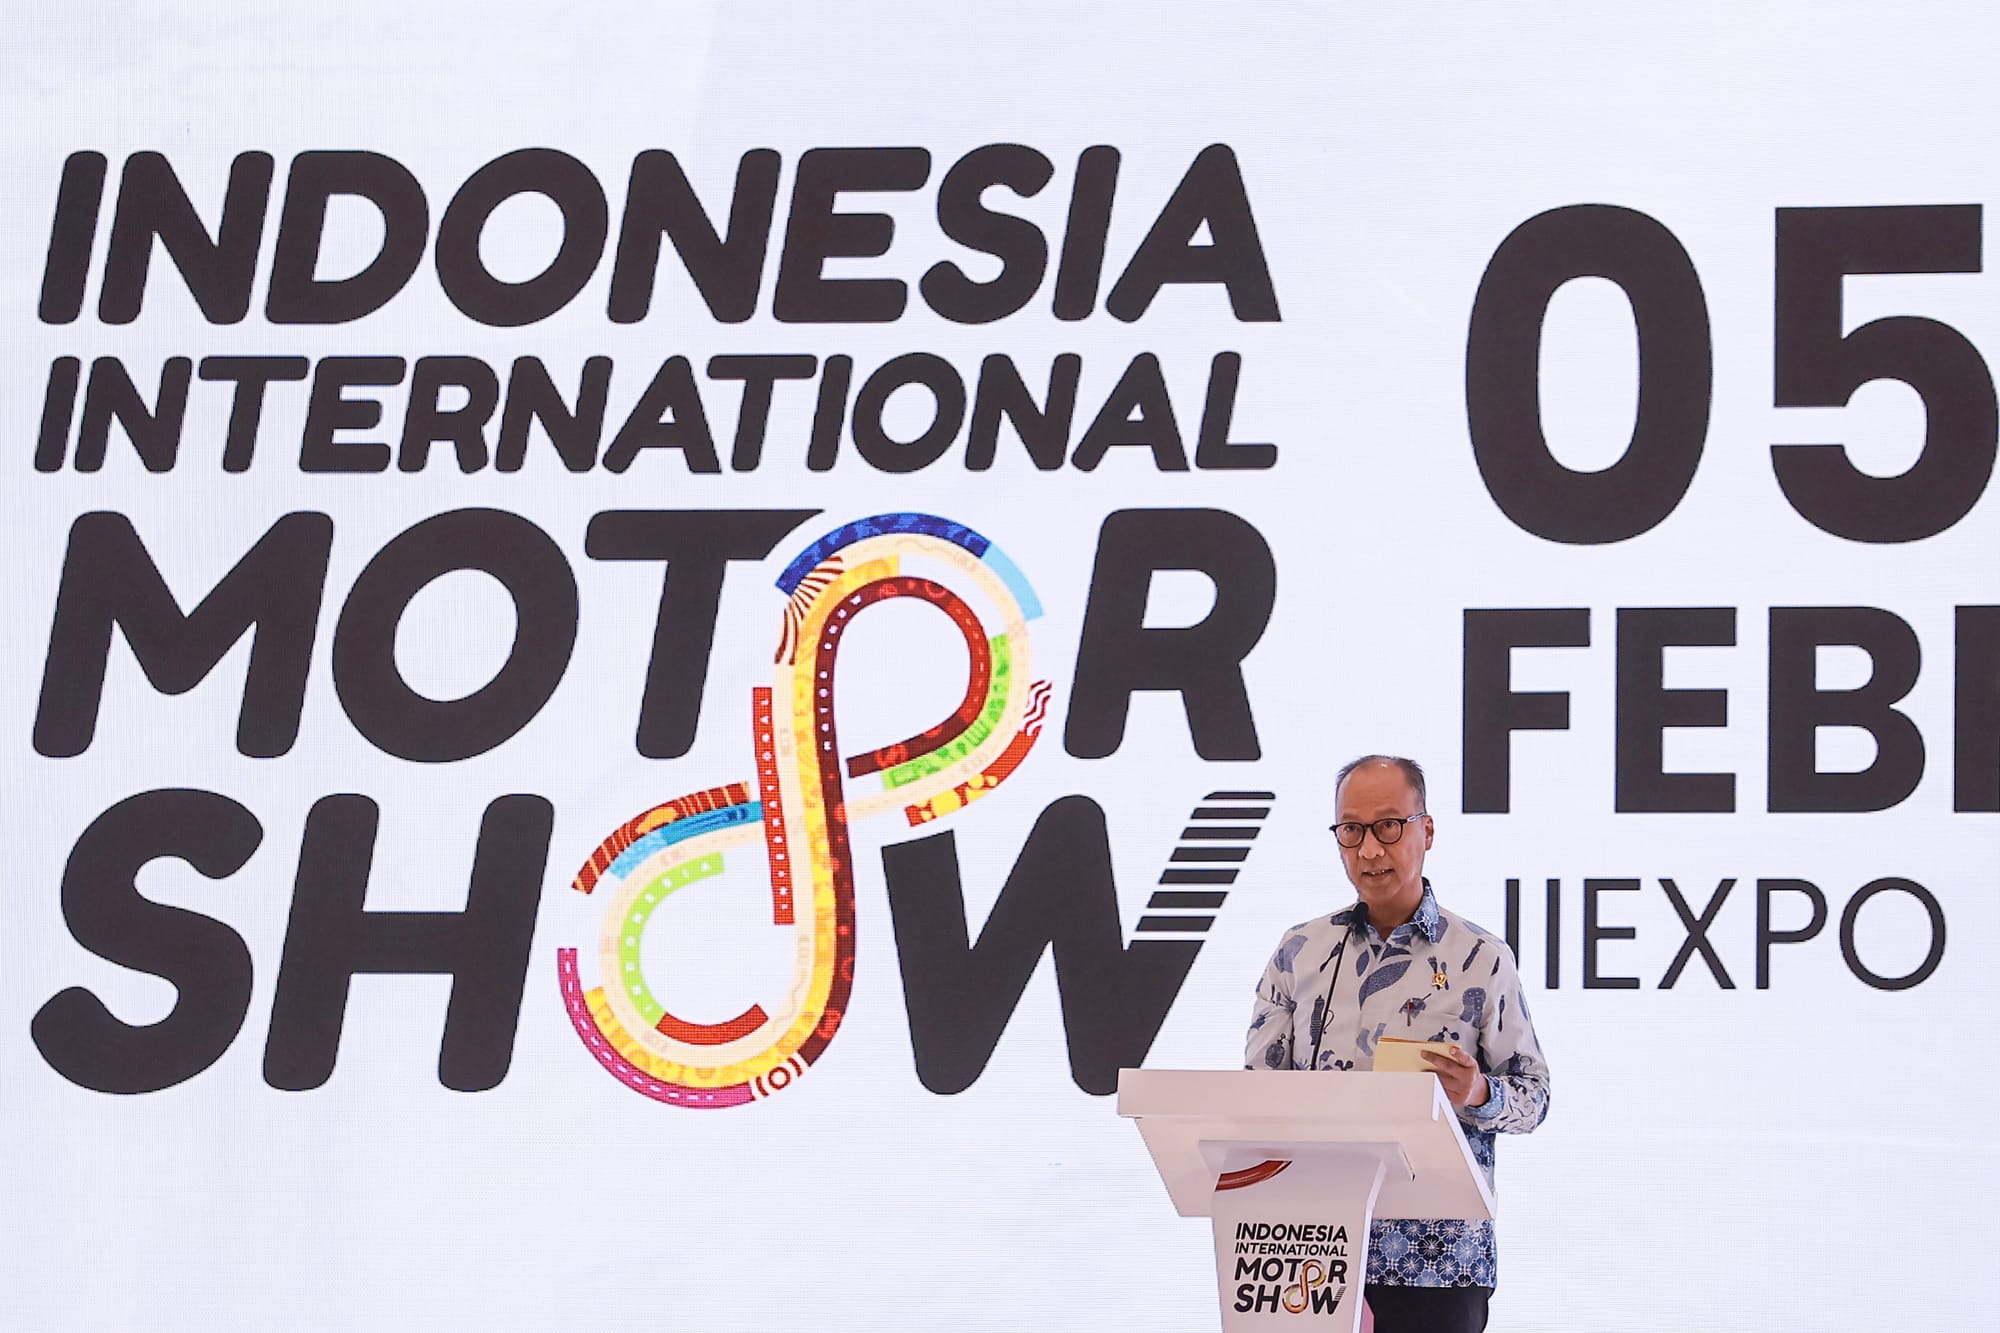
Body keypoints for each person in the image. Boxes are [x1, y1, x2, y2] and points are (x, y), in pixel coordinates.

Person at [1244, 755, 1550, 1333]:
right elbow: (1257, 1094)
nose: (1369, 850)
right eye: (1351, 830)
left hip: (1437, 1260)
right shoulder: (1299, 952)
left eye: (1388, 826)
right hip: (1308, 1253)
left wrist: (1479, 1093)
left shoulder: (1480, 958)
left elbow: (1534, 1098)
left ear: (1426, 830)